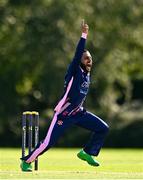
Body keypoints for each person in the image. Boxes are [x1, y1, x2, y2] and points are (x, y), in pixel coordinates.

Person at [20, 20, 109, 171]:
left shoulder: (87, 75)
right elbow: (77, 55)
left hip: (78, 113)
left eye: (90, 58)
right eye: (86, 58)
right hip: (63, 114)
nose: (89, 60)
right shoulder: (74, 71)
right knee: (48, 143)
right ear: (79, 61)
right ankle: (26, 162)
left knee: (103, 128)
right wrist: (84, 35)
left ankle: (87, 152)